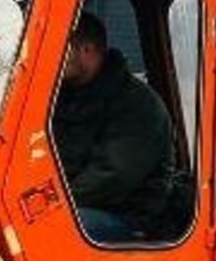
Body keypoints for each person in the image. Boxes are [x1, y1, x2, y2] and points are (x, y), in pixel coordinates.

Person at [50, 13, 178, 243]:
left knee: (48, 230)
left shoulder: (137, 105)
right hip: (74, 201)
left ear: (86, 50)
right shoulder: (63, 96)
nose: (50, 58)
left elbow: (111, 178)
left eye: (59, 48)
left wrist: (51, 203)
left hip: (125, 215)